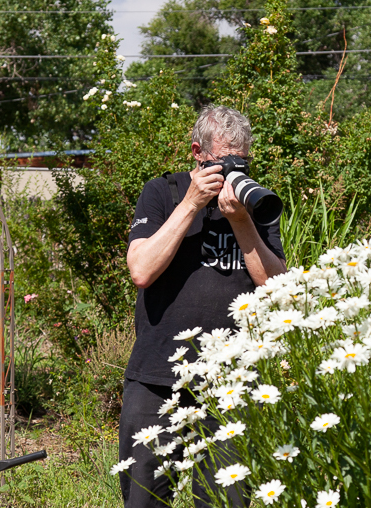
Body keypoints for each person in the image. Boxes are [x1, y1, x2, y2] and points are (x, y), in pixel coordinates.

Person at [118, 105, 287, 507]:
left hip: (230, 384)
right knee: (144, 500)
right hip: (157, 377)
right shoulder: (163, 192)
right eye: (224, 162)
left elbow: (278, 286)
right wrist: (192, 204)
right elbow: (141, 270)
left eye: (241, 162)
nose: (233, 172)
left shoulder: (255, 202)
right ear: (197, 152)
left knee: (226, 501)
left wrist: (243, 221)